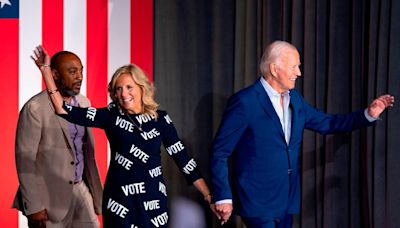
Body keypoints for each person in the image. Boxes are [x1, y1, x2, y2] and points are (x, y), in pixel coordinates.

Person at [210, 40, 395, 228]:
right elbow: (220, 152)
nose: (298, 73)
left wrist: (367, 115)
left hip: (287, 202)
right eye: (294, 67)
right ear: (275, 69)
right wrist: (223, 196)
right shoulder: (245, 102)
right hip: (257, 203)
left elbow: (328, 123)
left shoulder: (295, 99)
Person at [31, 45, 215, 228]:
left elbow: (183, 159)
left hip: (153, 204)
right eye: (118, 89)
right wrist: (46, 71)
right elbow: (63, 110)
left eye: (129, 87)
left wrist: (208, 195)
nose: (124, 94)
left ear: (142, 87)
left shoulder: (161, 120)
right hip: (119, 204)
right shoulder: (111, 115)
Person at [12, 50, 103, 227]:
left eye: (81, 71)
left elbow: (87, 152)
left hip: (81, 190)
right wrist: (34, 206)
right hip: (48, 198)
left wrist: (94, 194)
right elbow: (25, 159)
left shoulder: (84, 103)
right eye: (72, 71)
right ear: (55, 74)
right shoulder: (35, 108)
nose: (79, 77)